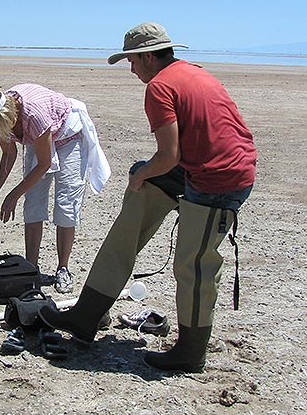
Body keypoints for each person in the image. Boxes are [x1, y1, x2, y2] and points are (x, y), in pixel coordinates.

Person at [39, 22, 257, 373]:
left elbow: (168, 155)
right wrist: (141, 177)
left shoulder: (159, 86)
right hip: (197, 166)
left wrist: (140, 174)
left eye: (133, 61)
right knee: (136, 204)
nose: (131, 68)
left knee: (193, 265)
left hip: (219, 177)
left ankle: (189, 352)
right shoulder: (191, 73)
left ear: (150, 57)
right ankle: (86, 315)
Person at [0, 84, 111, 293]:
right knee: (34, 203)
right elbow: (9, 154)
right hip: (40, 139)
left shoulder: (32, 113)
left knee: (65, 204)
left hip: (68, 137)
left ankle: (63, 268)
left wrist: (14, 195)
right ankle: (31, 269)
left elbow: (44, 163)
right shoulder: (0, 122)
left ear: (3, 116)